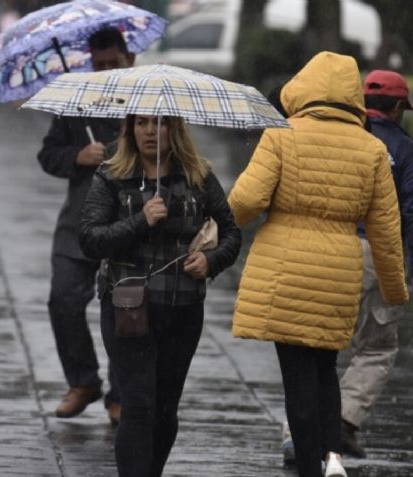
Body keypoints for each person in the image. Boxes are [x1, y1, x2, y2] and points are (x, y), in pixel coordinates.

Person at [227, 52, 408, 477]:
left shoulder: (281, 135)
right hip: (339, 272)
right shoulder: (372, 149)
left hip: (285, 270)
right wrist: (394, 288)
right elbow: (385, 228)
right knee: (325, 366)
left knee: (296, 376)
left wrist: (218, 225)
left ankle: (309, 463)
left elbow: (248, 199)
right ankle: (333, 459)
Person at [79, 114, 241, 477]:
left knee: (166, 408)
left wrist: (210, 261)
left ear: (175, 129)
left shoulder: (198, 175)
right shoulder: (112, 175)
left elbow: (231, 233)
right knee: (138, 405)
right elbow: (90, 239)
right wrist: (141, 220)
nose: (150, 131)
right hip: (128, 307)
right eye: (141, 123)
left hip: (182, 309)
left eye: (160, 123)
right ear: (130, 129)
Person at [37, 26, 135, 425]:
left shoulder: (145, 100)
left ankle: (122, 394)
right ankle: (83, 381)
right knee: (63, 300)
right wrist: (78, 155)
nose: (107, 69)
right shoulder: (75, 101)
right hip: (78, 222)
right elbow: (48, 155)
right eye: (100, 64)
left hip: (128, 223)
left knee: (126, 313)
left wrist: (117, 154)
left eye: (114, 62)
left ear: (129, 59)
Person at [338, 69, 413, 457]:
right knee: (376, 347)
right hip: (380, 253)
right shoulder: (407, 151)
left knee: (315, 348)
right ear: (397, 108)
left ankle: (298, 433)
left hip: (332, 250)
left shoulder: (342, 137)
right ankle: (344, 421)